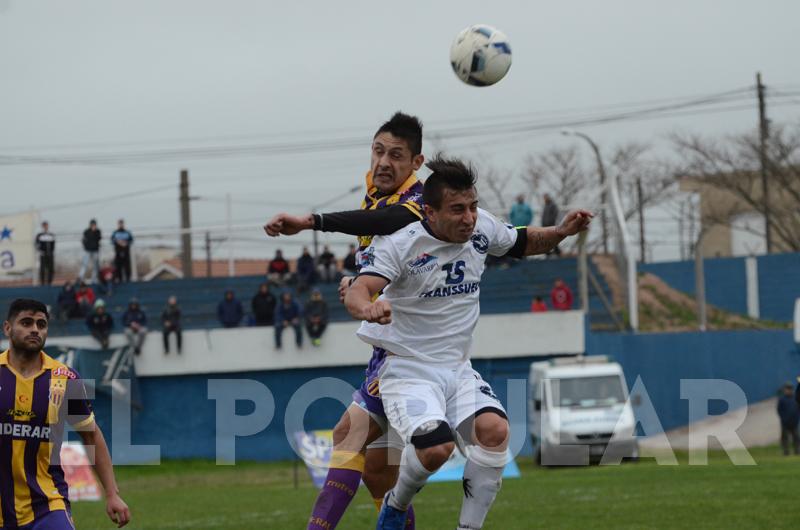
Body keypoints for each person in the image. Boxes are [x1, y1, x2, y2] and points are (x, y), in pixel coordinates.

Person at [344, 156, 592, 529]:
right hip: (408, 370)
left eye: (473, 206)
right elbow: (359, 289)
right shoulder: (400, 245)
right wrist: (368, 308)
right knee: (436, 448)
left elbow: (523, 242)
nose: (469, 217)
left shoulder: (482, 229)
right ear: (429, 211)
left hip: (457, 370)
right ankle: (395, 506)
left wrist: (561, 231)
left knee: (495, 433)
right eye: (458, 209)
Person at [265, 111, 428, 530]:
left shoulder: (418, 202)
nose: (384, 162)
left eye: (396, 155)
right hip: (390, 345)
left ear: (417, 163)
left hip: (411, 351)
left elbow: (384, 223)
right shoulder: (374, 195)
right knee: (377, 472)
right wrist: (358, 283)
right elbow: (386, 258)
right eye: (378, 151)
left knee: (345, 436)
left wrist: (312, 222)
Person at [1, 298, 131, 529]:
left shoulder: (65, 378)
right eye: (27, 322)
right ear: (8, 328)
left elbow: (91, 436)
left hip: (47, 505)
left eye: (41, 324)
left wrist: (111, 493)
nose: (35, 329)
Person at [777, 382, 800, 456]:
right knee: (785, 438)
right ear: (785, 390)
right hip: (785, 423)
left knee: (796, 437)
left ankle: (797, 450)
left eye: (790, 389)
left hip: (794, 422)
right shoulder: (782, 399)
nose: (789, 390)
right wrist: (783, 418)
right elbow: (779, 410)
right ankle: (786, 451)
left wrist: (797, 418)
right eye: (787, 389)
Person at [111, 219, 134, 283]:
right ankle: (119, 279)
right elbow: (112, 240)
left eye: (122, 224)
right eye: (119, 224)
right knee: (118, 266)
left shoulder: (127, 232)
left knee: (127, 266)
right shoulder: (115, 233)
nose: (121, 225)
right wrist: (118, 242)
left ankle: (128, 278)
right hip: (118, 251)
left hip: (126, 251)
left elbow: (131, 240)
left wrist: (125, 243)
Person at [79, 219, 102, 283]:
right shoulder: (86, 231)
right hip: (88, 250)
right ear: (90, 225)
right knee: (84, 264)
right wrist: (85, 247)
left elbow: (99, 238)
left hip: (95, 250)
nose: (93, 226)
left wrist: (94, 232)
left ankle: (94, 278)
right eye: (92, 225)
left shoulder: (98, 231)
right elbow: (83, 240)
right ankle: (80, 277)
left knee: (95, 265)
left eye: (94, 225)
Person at [35, 221, 56, 285]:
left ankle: (50, 282)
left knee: (51, 269)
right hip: (43, 254)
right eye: (44, 226)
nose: (45, 227)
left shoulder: (51, 235)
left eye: (46, 226)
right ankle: (42, 283)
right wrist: (40, 251)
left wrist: (51, 252)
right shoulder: (39, 235)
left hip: (50, 254)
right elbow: (36, 244)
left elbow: (53, 244)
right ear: (42, 227)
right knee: (42, 269)